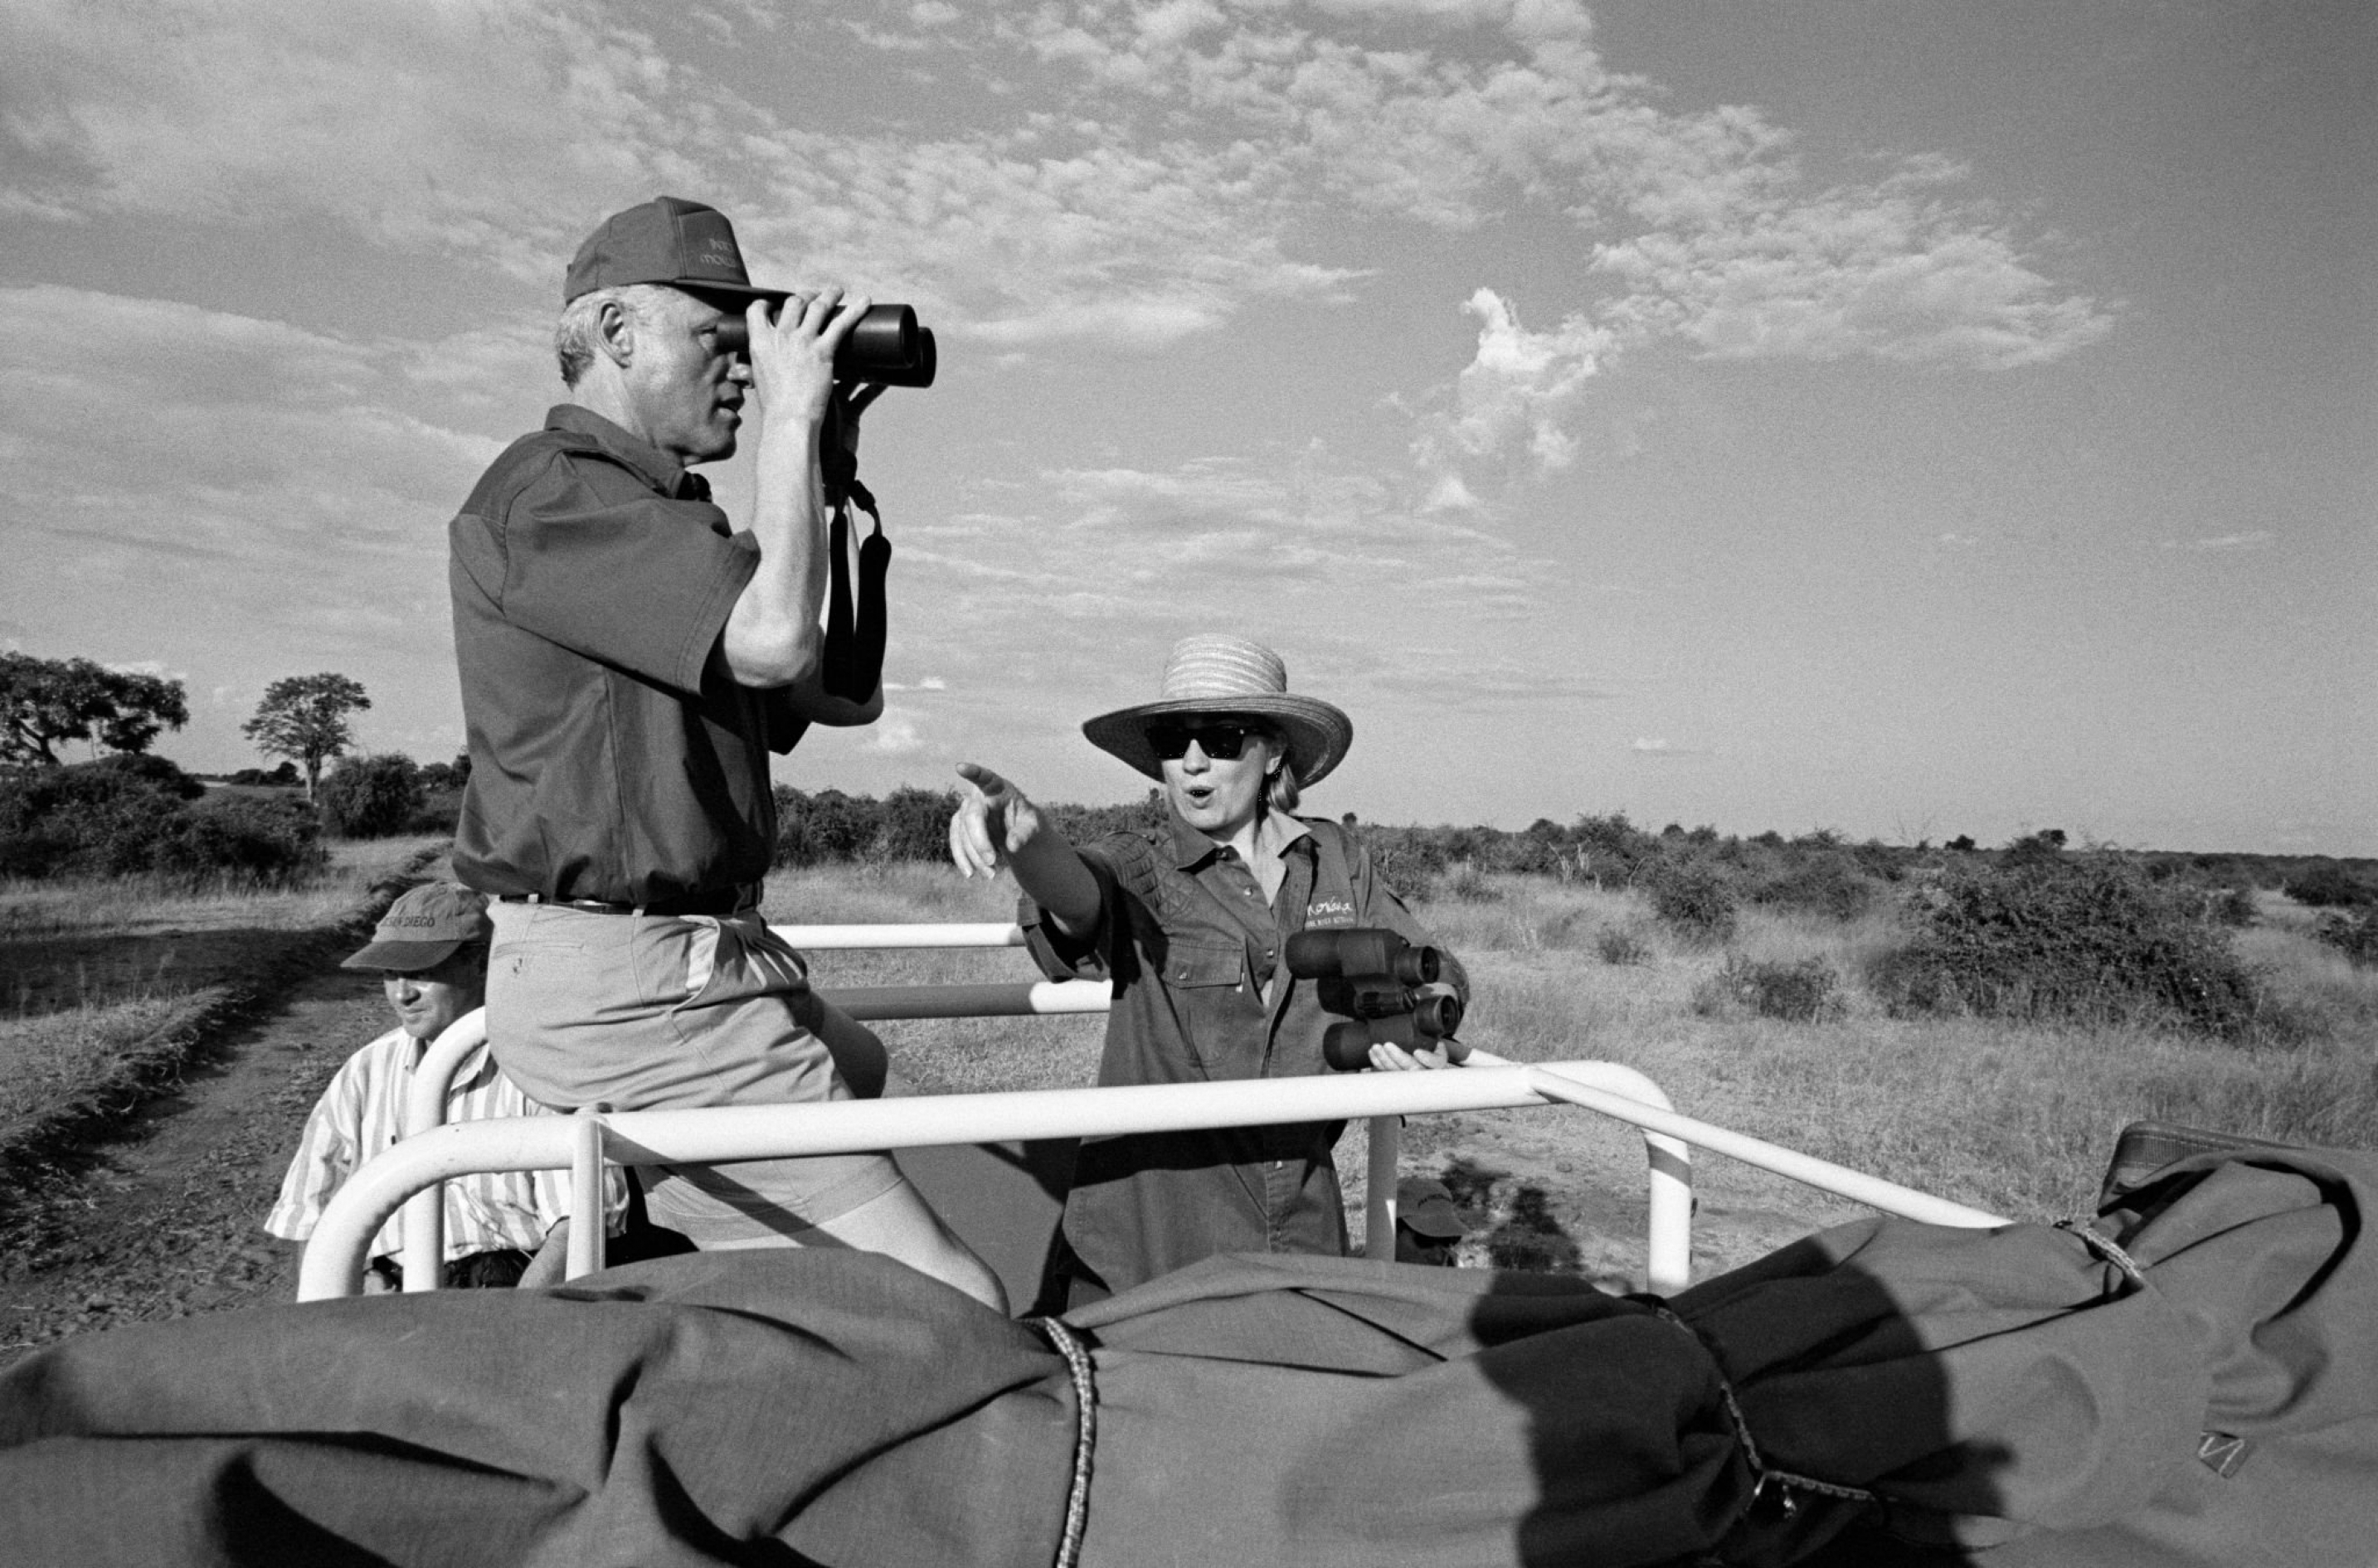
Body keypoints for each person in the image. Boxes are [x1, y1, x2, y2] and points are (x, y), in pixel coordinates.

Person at [445, 195, 999, 1308]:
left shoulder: (667, 517)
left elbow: (835, 692)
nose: (748, 370)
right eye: (720, 337)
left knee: (861, 1065)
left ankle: (613, 1279)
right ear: (613, 337)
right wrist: (789, 428)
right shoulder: (552, 493)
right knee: (957, 1302)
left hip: (694, 957)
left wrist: (827, 473)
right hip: (631, 985)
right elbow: (770, 637)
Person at [950, 632, 1470, 1306]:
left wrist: (1420, 1024)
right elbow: (1077, 893)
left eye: (1222, 738)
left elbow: (1432, 967)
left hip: (1300, 1229)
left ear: (1272, 749)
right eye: (1174, 740)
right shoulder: (1142, 862)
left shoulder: (1336, 860)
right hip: (1151, 1245)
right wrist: (1025, 836)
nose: (1193, 762)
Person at [265, 883, 625, 1291]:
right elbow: (310, 1214)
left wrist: (523, 1314)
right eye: (389, 974)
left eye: (421, 973)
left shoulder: (541, 1066)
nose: (403, 993)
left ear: (481, 964)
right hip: (390, 1292)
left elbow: (583, 1218)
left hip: (513, 1285)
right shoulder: (365, 1072)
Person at [1391, 1176, 1473, 1266]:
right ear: (1393, 1231)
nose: (1438, 1256)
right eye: (1426, 1240)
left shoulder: (1454, 1274)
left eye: (1447, 1241)